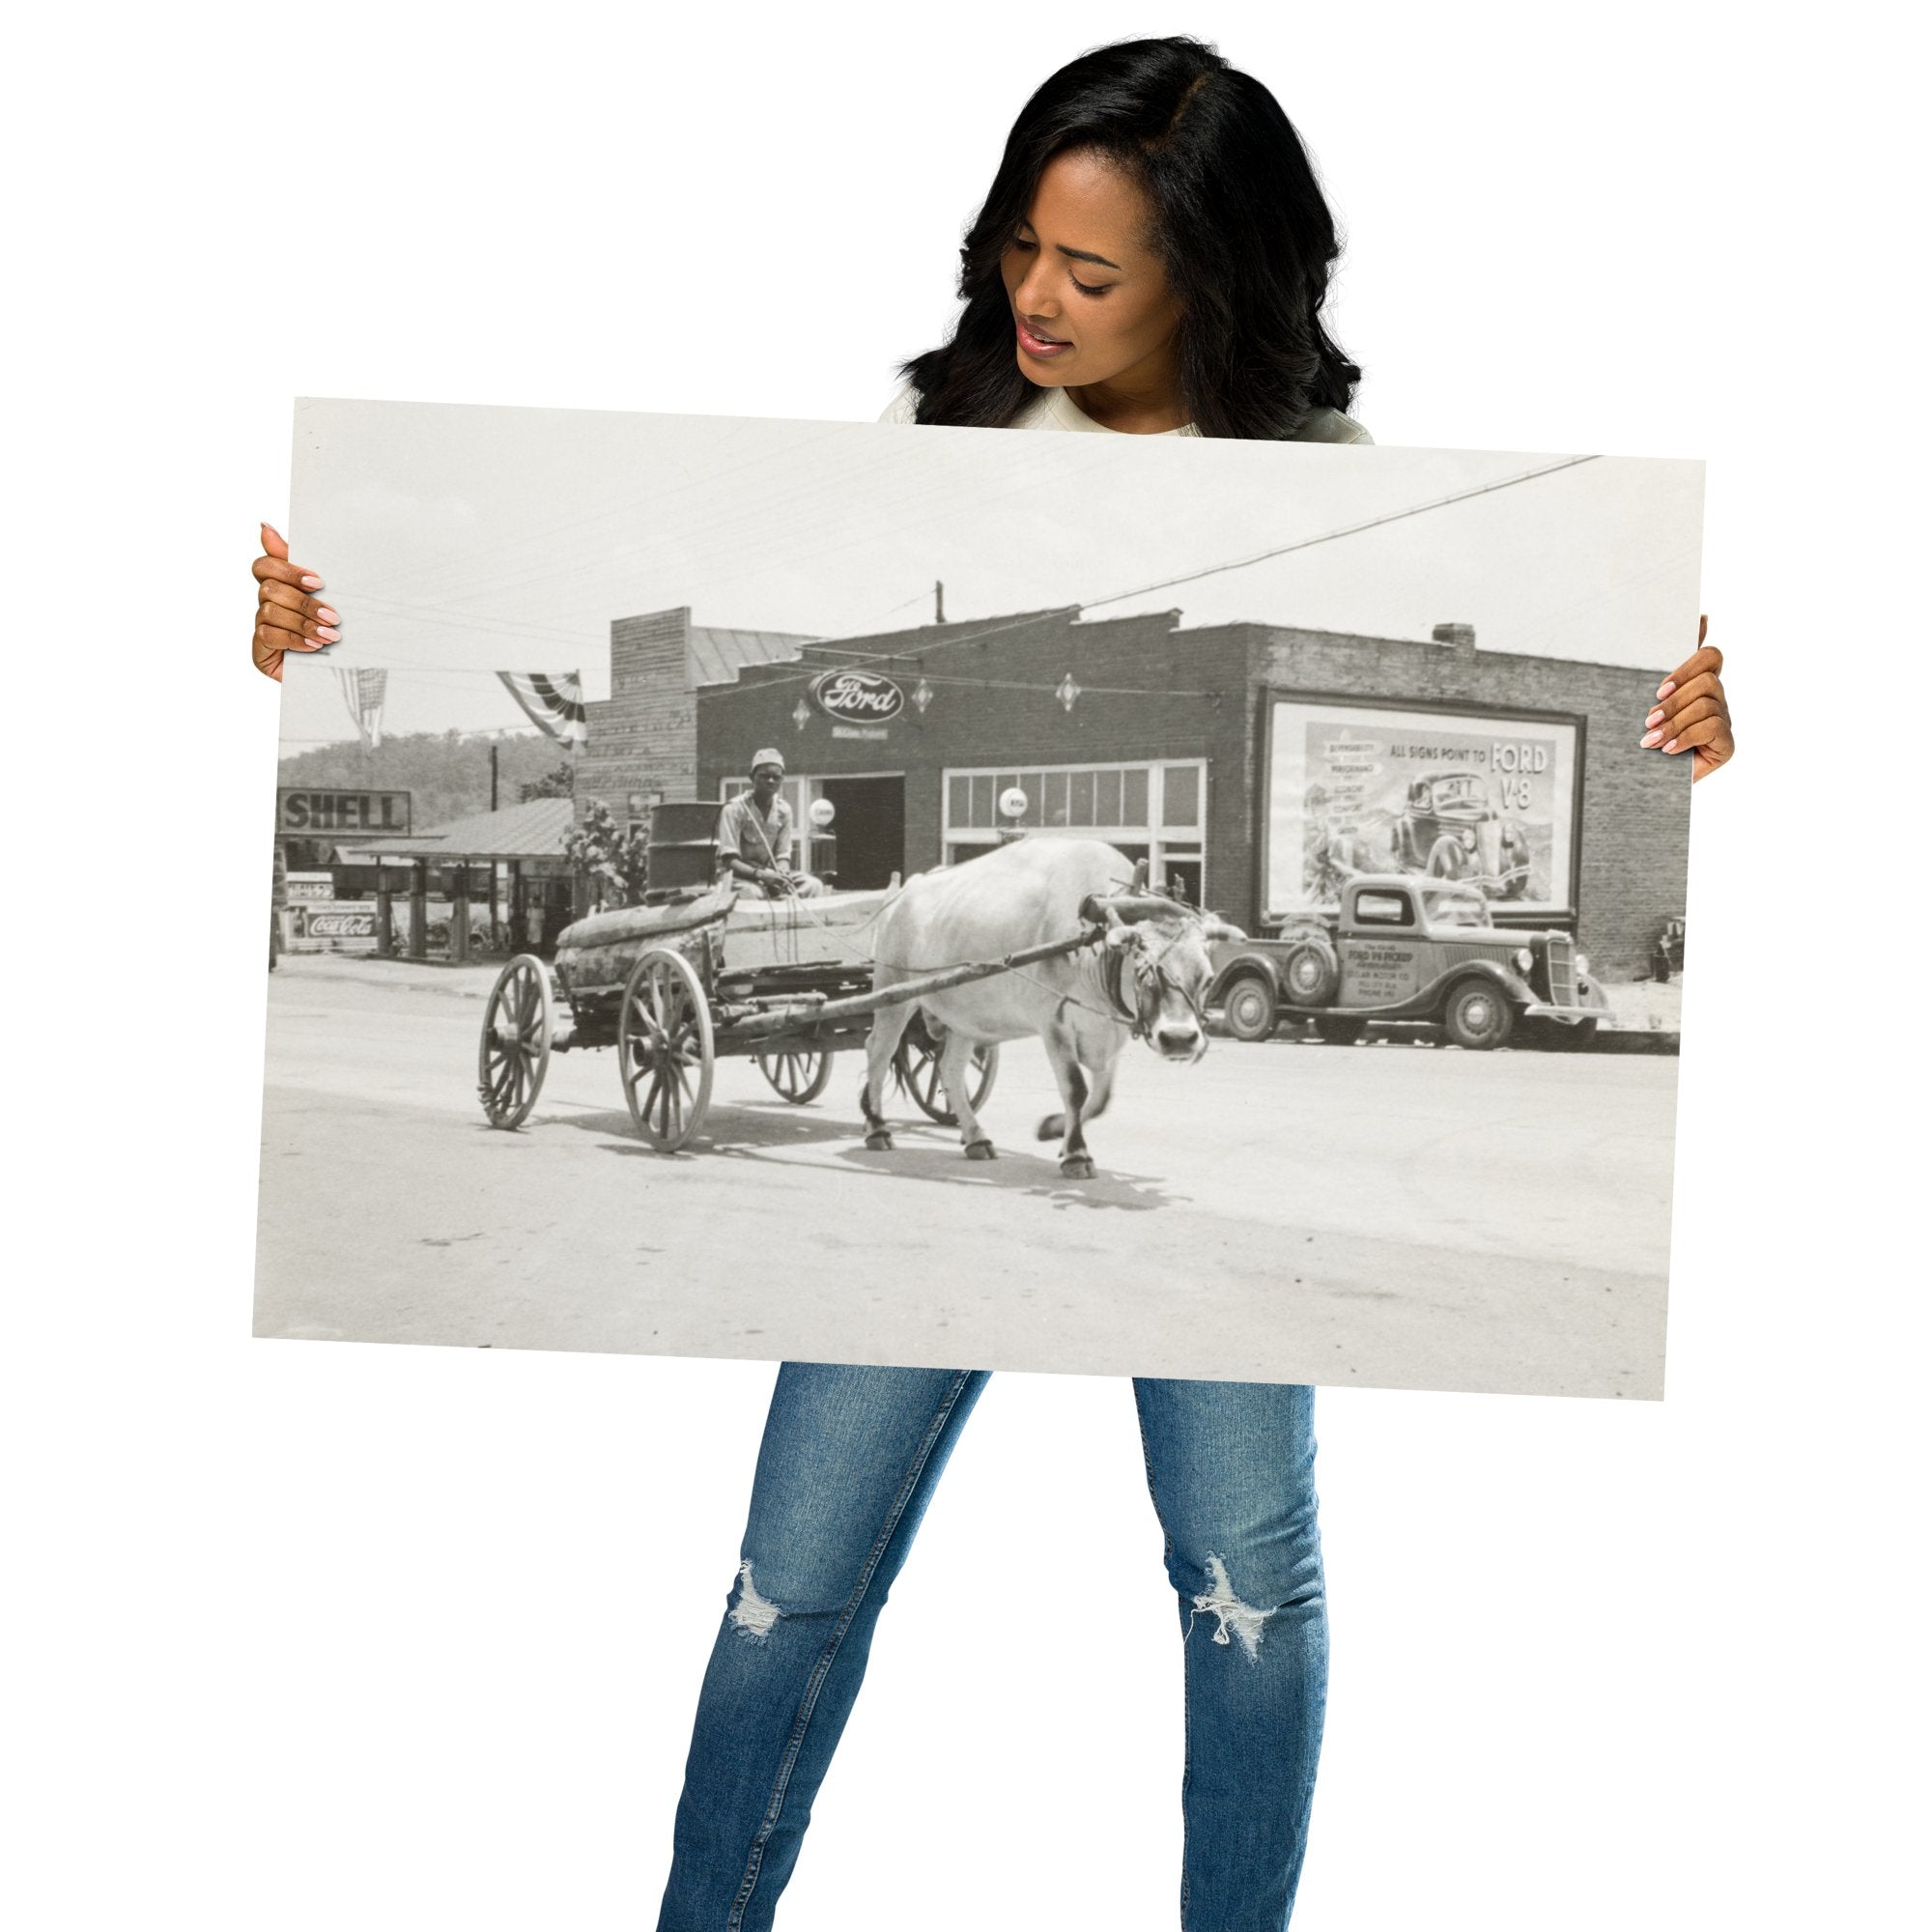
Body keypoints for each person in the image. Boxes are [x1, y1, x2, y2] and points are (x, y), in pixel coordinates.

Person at [249, 36, 1734, 1929]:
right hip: (889, 944)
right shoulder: (936, 413)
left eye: (1092, 273)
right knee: (792, 1576)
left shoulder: (1326, 467)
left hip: (1107, 1107)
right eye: (1022, 246)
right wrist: (294, 635)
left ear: (1218, 274)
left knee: (1245, 1580)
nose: (1036, 297)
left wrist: (1700, 735)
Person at [718, 749, 825, 896]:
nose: (770, 781)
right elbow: (730, 861)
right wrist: (761, 875)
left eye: (776, 777)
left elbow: (782, 855)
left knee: (814, 885)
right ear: (752, 777)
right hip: (738, 876)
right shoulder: (734, 809)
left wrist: (782, 873)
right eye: (764, 776)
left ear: (782, 780)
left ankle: (793, 911)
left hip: (769, 874)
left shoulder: (784, 810)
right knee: (753, 893)